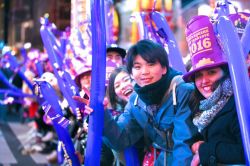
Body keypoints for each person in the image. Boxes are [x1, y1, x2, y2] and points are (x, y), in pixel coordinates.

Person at [76, 39, 197, 165]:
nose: (144, 72)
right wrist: (101, 113)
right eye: (138, 67)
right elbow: (121, 139)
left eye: (150, 64)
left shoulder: (182, 91)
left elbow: (184, 144)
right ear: (132, 73)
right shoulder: (135, 101)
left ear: (164, 68)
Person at [183, 15, 246, 165]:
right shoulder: (197, 104)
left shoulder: (239, 104)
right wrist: (195, 143)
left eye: (212, 72)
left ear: (225, 72)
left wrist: (206, 150)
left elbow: (245, 151)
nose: (204, 81)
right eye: (198, 75)